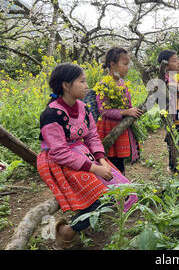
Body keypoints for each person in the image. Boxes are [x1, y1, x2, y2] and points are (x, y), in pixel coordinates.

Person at [36, 62, 137, 249]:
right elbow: (59, 152)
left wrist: (101, 160)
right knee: (99, 197)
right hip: (57, 161)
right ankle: (67, 232)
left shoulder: (83, 107)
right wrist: (95, 168)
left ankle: (80, 225)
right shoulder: (51, 114)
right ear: (66, 86)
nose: (86, 86)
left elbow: (92, 135)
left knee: (122, 189)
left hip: (85, 155)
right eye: (82, 81)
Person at [95, 47, 143, 175]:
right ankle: (116, 190)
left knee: (120, 162)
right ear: (112, 64)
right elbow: (104, 111)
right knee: (112, 160)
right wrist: (126, 112)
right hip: (110, 129)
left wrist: (132, 112)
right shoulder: (103, 85)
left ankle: (121, 187)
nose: (128, 67)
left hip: (122, 127)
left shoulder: (122, 83)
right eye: (125, 64)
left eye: (129, 64)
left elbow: (128, 104)